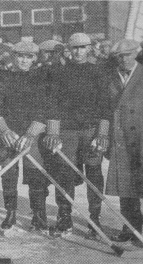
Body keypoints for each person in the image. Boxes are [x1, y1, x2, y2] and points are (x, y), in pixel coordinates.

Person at [43, 33, 111, 237]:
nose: (78, 52)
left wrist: (102, 133)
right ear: (68, 50)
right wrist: (53, 132)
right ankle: (64, 216)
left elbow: (105, 105)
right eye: (74, 48)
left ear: (89, 48)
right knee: (64, 174)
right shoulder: (61, 73)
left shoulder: (98, 72)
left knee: (94, 173)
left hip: (91, 131)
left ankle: (94, 218)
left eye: (82, 48)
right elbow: (52, 102)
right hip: (67, 131)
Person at [0, 41, 52, 231]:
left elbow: (44, 109)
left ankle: (38, 214)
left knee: (35, 175)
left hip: (32, 135)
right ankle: (11, 212)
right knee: (9, 174)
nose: (24, 60)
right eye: (20, 56)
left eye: (28, 57)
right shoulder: (3, 77)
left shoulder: (40, 78)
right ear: (14, 57)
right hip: (8, 134)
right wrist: (4, 130)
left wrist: (31, 134)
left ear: (34, 59)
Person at [105, 39, 143, 245]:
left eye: (128, 54)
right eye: (120, 56)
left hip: (141, 138)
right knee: (126, 187)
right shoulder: (112, 77)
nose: (124, 59)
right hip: (121, 139)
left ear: (136, 54)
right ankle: (130, 228)